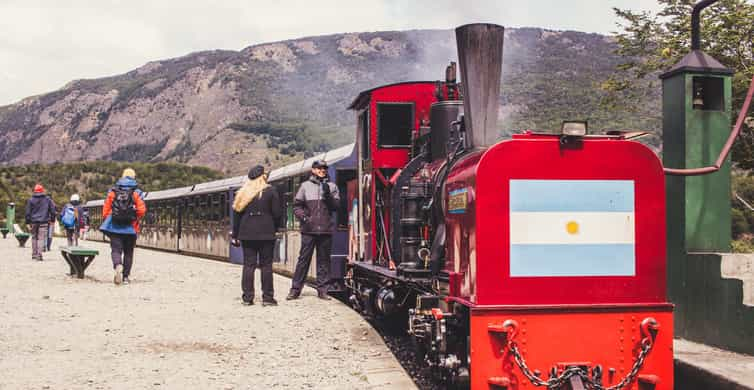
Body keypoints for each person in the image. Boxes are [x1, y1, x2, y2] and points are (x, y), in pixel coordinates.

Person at [287, 160, 340, 301]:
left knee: (324, 262)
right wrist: (305, 218)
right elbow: (296, 206)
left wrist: (327, 194)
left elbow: (336, 207)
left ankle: (323, 290)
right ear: (313, 170)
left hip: (325, 230)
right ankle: (295, 290)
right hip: (308, 230)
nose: (322, 170)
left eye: (324, 168)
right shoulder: (305, 186)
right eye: (319, 168)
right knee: (303, 261)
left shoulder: (332, 186)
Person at [231, 165, 282, 306]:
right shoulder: (271, 191)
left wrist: (235, 235)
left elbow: (236, 217)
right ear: (262, 176)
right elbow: (277, 214)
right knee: (266, 265)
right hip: (266, 233)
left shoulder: (242, 193)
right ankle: (267, 298)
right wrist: (275, 228)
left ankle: (247, 298)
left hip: (247, 233)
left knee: (249, 265)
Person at [99, 168, 146, 285]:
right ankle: (125, 277)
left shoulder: (113, 191)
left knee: (116, 250)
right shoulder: (137, 192)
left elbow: (105, 211)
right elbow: (142, 210)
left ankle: (117, 265)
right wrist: (134, 218)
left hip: (114, 227)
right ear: (134, 177)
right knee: (129, 252)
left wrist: (110, 219)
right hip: (131, 229)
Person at [24, 184, 56, 261]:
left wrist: (27, 222)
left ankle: (34, 255)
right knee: (41, 238)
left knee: (34, 237)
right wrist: (52, 220)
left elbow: (27, 212)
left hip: (33, 222)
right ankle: (39, 255)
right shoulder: (47, 199)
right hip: (44, 222)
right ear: (42, 190)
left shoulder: (31, 199)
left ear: (34, 191)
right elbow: (53, 211)